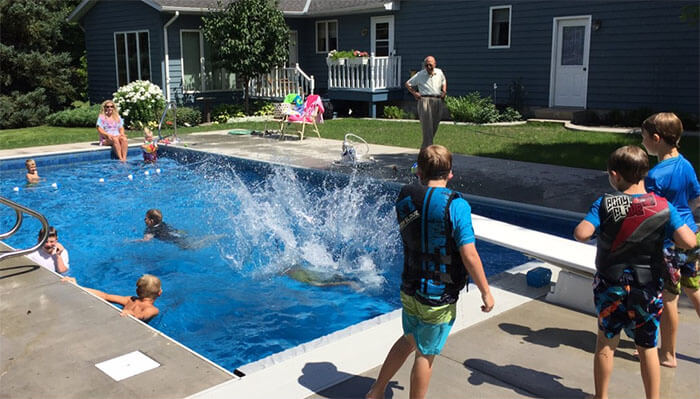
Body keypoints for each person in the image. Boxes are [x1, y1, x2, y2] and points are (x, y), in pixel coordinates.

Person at [366, 145, 494, 399]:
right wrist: (486, 292)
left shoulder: (406, 198)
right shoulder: (456, 206)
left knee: (409, 339)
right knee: (426, 354)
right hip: (437, 297)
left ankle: (376, 391)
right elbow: (469, 254)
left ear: (420, 172)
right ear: (450, 174)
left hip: (410, 288)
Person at [573, 145, 696, 399]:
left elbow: (581, 233)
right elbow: (688, 241)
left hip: (611, 286)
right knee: (648, 347)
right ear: (643, 173)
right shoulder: (662, 206)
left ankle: (601, 397)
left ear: (615, 175)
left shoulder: (605, 203)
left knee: (606, 343)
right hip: (647, 288)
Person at [639, 112, 700, 368]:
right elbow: (696, 199)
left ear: (656, 139)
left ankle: (668, 354)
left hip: (669, 244)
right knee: (694, 289)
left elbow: (652, 213)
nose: (643, 143)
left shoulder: (655, 176)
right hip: (692, 235)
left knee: (669, 297)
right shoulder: (686, 164)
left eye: (644, 139)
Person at [62, 274, 161, 323]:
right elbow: (142, 316)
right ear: (159, 293)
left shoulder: (130, 299)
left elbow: (105, 296)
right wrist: (134, 315)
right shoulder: (153, 310)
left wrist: (79, 286)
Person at [405, 56, 447, 149]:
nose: (428, 67)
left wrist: (444, 91)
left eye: (430, 65)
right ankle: (427, 151)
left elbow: (444, 81)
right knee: (427, 128)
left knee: (434, 126)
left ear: (435, 64)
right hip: (425, 101)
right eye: (426, 65)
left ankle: (425, 149)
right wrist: (415, 93)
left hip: (437, 100)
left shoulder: (439, 72)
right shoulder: (420, 74)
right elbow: (408, 84)